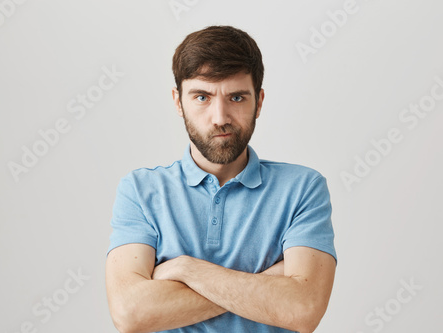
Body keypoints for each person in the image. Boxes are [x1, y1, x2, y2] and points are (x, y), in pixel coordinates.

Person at [105, 25, 337, 333]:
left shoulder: (303, 188)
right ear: (178, 102)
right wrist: (268, 284)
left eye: (237, 97)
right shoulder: (140, 190)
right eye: (202, 96)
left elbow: (302, 310)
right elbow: (131, 314)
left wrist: (184, 268)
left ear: (260, 101)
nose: (220, 117)